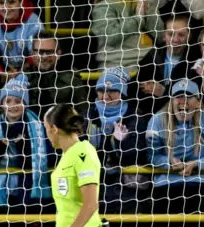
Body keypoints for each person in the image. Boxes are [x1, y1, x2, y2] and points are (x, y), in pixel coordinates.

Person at [0, 75, 53, 210]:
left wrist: (23, 146)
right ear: (2, 103)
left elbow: (50, 159)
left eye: (18, 100)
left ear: (25, 103)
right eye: (8, 101)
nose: (13, 106)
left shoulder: (39, 128)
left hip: (28, 194)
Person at [85, 67, 150, 213]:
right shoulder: (87, 115)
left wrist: (122, 142)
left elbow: (140, 156)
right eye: (101, 90)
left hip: (127, 190)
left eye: (112, 91)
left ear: (122, 93)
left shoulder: (136, 116)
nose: (106, 97)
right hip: (94, 185)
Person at [146, 78, 204, 214]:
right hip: (166, 185)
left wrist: (197, 164)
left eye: (189, 96)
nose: (183, 101)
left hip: (200, 183)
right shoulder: (157, 120)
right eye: (178, 96)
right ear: (171, 101)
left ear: (198, 103)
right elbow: (150, 156)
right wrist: (169, 162)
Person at [135, 13, 198, 115]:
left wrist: (164, 92)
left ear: (189, 36)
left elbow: (192, 95)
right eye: (170, 34)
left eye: (181, 35)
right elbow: (140, 95)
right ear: (164, 36)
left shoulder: (195, 60)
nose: (175, 40)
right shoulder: (153, 56)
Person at [26, 31, 88, 119]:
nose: (44, 56)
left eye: (49, 52)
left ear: (58, 53)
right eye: (40, 52)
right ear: (32, 54)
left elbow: (83, 115)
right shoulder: (22, 80)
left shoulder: (72, 82)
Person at [91, 0, 163, 70]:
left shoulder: (146, 3)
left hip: (150, 62)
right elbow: (110, 38)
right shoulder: (103, 6)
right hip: (117, 65)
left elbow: (161, 37)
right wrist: (138, 18)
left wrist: (149, 11)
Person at [0, 0, 42, 77]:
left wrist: (18, 74)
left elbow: (36, 54)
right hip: (2, 73)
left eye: (11, 2)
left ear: (21, 3)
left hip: (30, 72)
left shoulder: (34, 22)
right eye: (1, 3)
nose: (6, 7)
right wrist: (2, 74)